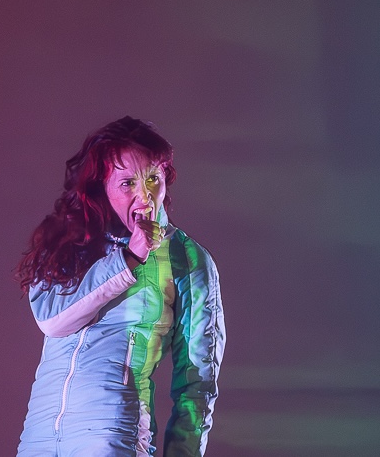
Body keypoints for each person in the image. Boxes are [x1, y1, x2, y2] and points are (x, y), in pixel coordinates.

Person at [15, 117, 226, 456]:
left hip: (114, 439)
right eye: (127, 183)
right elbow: (52, 320)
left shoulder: (186, 258)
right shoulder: (73, 243)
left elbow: (197, 384)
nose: (145, 196)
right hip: (38, 440)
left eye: (153, 179)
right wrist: (128, 259)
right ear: (101, 187)